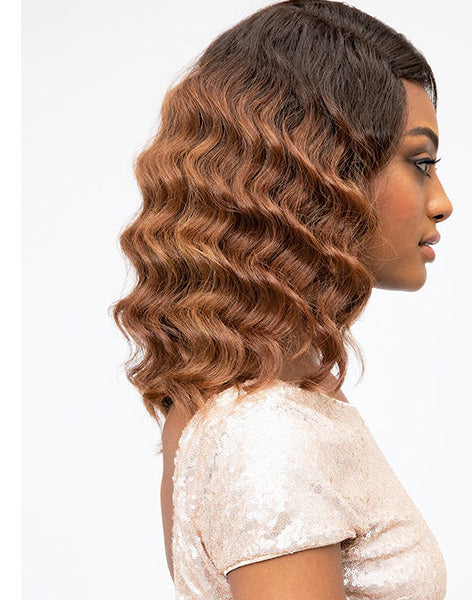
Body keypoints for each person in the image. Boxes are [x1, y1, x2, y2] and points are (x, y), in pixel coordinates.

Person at [111, 1, 453, 598]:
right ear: (320, 174)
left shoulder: (232, 398)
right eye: (420, 162)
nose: (442, 202)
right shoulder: (266, 431)